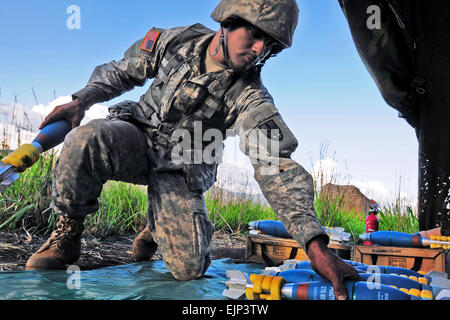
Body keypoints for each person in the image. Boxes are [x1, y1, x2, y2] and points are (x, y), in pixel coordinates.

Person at [26, 0, 360, 299]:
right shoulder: (176, 40)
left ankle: (156, 224)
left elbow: (274, 163)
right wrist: (81, 100)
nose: (260, 50)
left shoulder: (251, 97)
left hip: (182, 167)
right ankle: (67, 235)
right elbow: (122, 71)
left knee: (188, 269)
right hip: (137, 138)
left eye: (271, 46)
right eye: (255, 35)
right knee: (86, 138)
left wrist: (314, 246)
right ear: (227, 22)